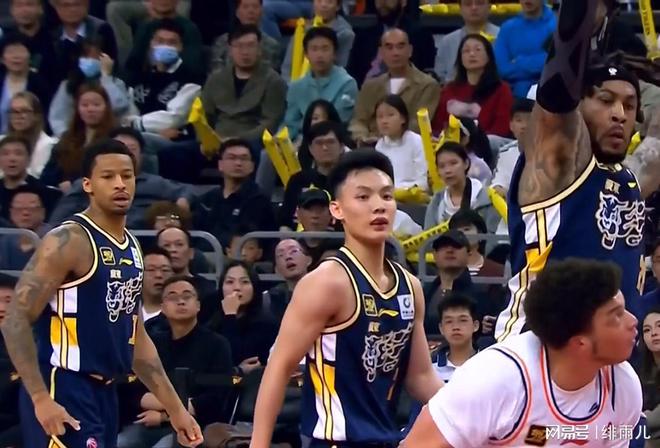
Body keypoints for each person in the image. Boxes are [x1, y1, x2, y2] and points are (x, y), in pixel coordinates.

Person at [0, 138, 203, 447]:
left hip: (106, 392)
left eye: (127, 175)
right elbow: (15, 319)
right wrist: (40, 397)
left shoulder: (133, 247)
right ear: (88, 185)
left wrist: (176, 410)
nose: (120, 184)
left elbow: (136, 338)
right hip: (63, 385)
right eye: (108, 176)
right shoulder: (68, 240)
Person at [251, 150, 442, 447]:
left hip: (386, 441)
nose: (378, 206)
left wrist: (476, 415)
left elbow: (420, 378)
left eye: (386, 196)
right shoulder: (325, 282)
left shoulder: (410, 286)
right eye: (363, 197)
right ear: (337, 210)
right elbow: (279, 367)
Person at [494, 0, 660, 341]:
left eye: (629, 105)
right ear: (579, 108)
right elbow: (559, 85)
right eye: (606, 100)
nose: (619, 114)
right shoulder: (559, 163)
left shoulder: (631, 176)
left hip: (609, 353)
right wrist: (582, 15)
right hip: (540, 344)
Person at [403, 258, 642, 447]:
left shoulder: (624, 386)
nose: (633, 321)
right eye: (616, 315)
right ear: (579, 342)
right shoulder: (493, 379)